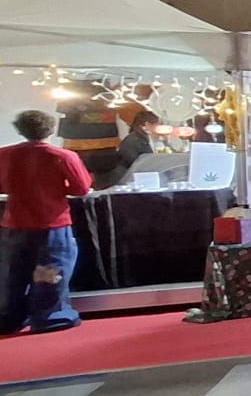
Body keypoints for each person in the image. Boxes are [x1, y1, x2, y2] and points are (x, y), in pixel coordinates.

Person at [0, 110, 93, 334]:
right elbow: (81, 188)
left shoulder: (5, 154)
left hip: (15, 222)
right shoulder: (62, 156)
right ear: (51, 129)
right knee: (50, 271)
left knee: (13, 273)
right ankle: (49, 316)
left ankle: (10, 317)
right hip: (52, 222)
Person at [115, 110, 159, 182]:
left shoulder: (139, 139)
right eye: (155, 125)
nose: (156, 128)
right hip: (130, 178)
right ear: (147, 124)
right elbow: (134, 162)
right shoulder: (133, 141)